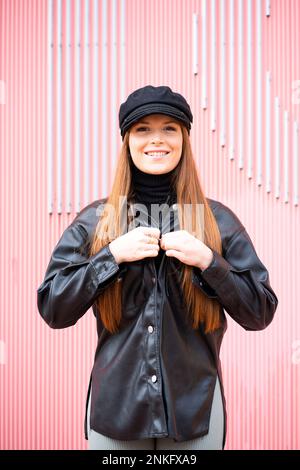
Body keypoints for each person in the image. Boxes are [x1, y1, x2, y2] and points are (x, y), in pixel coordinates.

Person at [37, 85, 278, 450]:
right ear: (127, 140)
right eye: (143, 129)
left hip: (195, 410)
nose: (157, 140)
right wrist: (110, 257)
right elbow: (53, 307)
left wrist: (210, 262)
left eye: (169, 128)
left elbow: (260, 311)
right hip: (115, 410)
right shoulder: (95, 222)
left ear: (184, 138)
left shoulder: (218, 221)